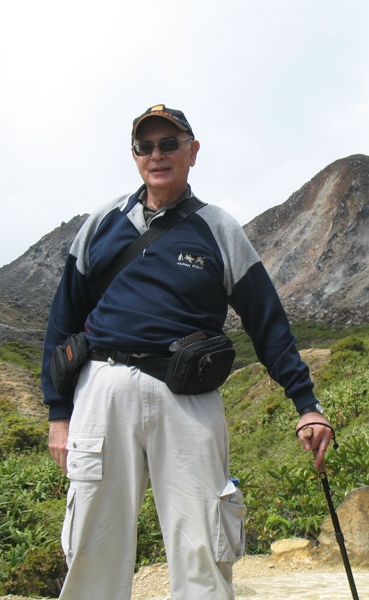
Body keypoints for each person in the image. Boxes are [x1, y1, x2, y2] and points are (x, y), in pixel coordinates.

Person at [42, 104, 333, 600]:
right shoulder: (101, 224)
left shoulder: (219, 229)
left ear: (192, 152)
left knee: (204, 540)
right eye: (146, 146)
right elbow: (62, 322)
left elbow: (267, 323)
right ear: (135, 156)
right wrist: (58, 414)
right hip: (101, 389)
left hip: (188, 396)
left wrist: (307, 405)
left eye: (169, 144)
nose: (157, 155)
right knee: (93, 543)